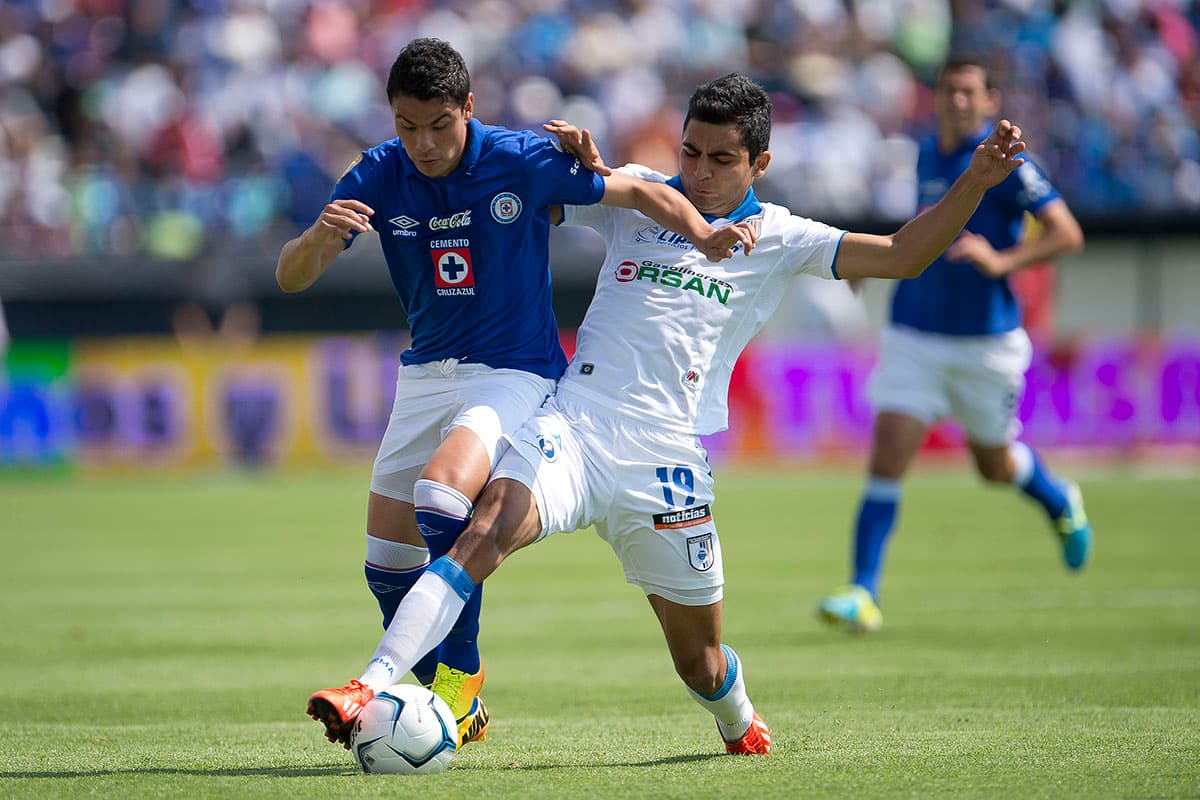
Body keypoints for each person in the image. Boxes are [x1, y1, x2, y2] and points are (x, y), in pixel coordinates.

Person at [307, 72, 1031, 755]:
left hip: (665, 461)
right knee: (480, 530)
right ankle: (373, 685)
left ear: (761, 162)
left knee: (699, 661)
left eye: (722, 159)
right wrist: (574, 163)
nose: (701, 171)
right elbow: (537, 192)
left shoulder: (782, 237)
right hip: (574, 427)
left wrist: (973, 181)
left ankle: (738, 718)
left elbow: (904, 254)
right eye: (690, 151)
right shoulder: (648, 195)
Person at [278, 39, 753, 749]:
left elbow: (641, 190)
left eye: (439, 124)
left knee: (442, 497)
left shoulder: (519, 159)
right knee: (386, 561)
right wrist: (320, 236)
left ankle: (457, 683)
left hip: (515, 371)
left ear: (468, 107)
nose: (424, 144)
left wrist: (705, 232)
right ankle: (450, 705)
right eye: (407, 128)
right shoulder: (379, 172)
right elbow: (291, 277)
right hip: (425, 373)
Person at [816, 55, 1090, 635]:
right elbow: (926, 221)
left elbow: (1068, 233)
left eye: (969, 92)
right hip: (914, 331)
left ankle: (1059, 498)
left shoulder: (1010, 165)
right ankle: (862, 591)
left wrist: (1002, 260)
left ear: (991, 102)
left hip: (985, 344)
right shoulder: (922, 151)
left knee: (993, 465)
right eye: (948, 90)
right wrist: (876, 257)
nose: (957, 101)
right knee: (889, 452)